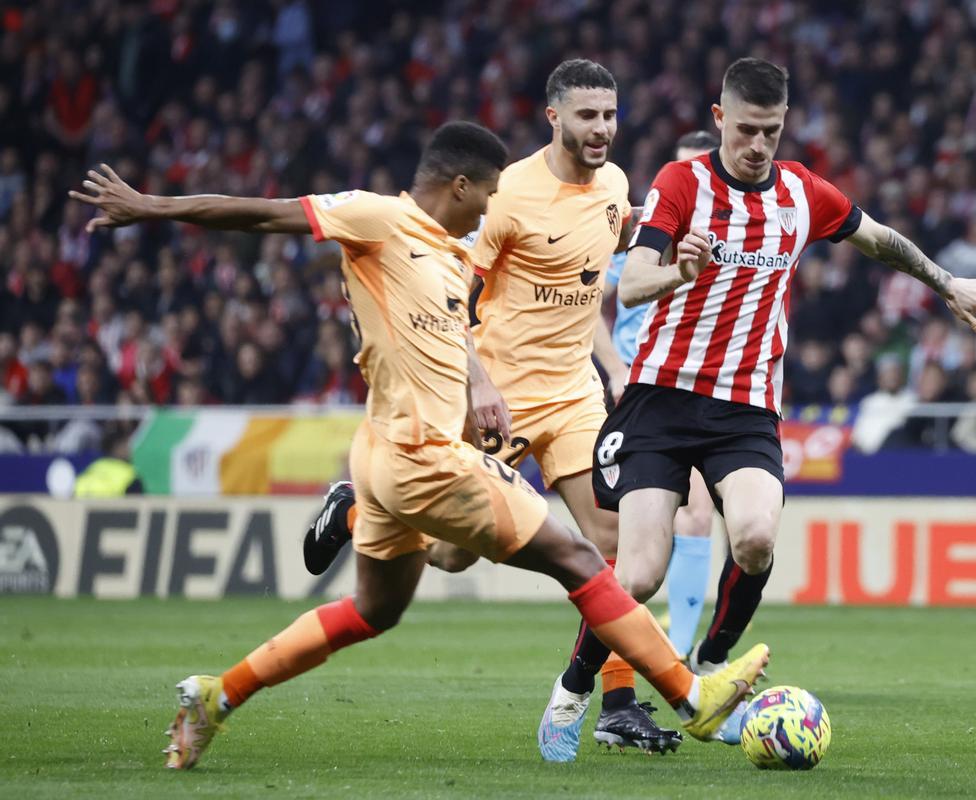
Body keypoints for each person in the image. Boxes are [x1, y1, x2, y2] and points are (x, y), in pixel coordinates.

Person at [68, 122, 769, 770]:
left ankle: (216, 695)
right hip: (423, 458)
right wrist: (150, 207)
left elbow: (455, 325)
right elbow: (261, 210)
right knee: (582, 559)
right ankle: (690, 698)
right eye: (487, 195)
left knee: (376, 610)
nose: (491, 209)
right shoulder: (375, 218)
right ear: (460, 185)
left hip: (387, 456)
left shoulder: (448, 250)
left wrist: (479, 385)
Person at [552, 57, 976, 748]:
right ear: (719, 121)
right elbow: (634, 281)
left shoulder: (801, 192)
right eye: (745, 131)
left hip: (745, 409)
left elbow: (879, 239)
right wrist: (682, 268)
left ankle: (709, 667)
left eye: (770, 131)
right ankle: (574, 688)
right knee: (639, 571)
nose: (757, 145)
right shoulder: (683, 183)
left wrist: (946, 283)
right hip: (662, 400)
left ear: (784, 124)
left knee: (758, 537)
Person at [298, 60, 682, 757]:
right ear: (554, 117)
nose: (602, 129)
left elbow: (613, 239)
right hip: (500, 394)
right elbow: (452, 297)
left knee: (618, 545)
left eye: (611, 115)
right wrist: (475, 383)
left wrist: (667, 249)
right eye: (588, 116)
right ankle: (356, 506)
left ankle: (617, 703)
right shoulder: (507, 198)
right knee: (447, 556)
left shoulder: (619, 186)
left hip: (574, 397)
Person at [604, 130, 721, 660]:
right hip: (635, 389)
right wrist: (613, 368)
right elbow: (586, 308)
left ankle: (676, 651)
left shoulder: (732, 237)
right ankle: (618, 650)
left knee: (697, 515)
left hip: (693, 388)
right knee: (621, 540)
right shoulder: (642, 239)